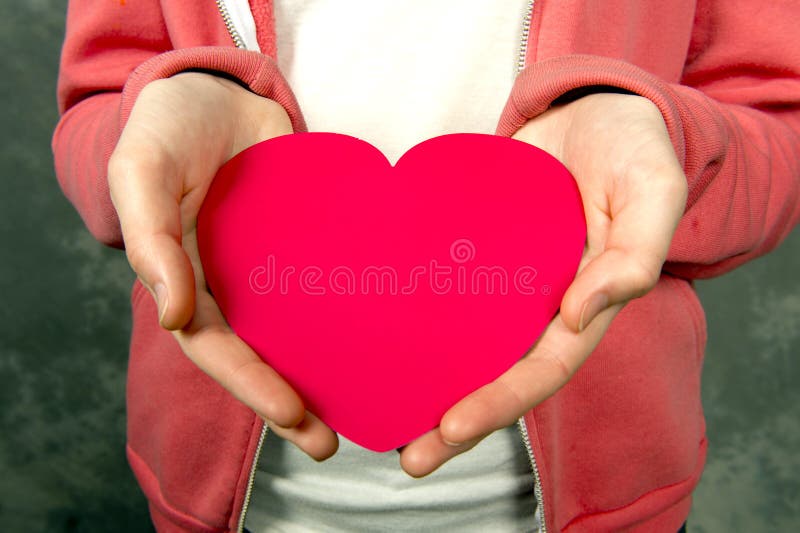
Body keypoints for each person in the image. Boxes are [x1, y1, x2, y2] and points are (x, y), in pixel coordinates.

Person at [53, 1, 800, 531]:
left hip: (610, 500)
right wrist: (152, 118)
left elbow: (777, 131)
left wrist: (663, 139)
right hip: (222, 500)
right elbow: (95, 107)